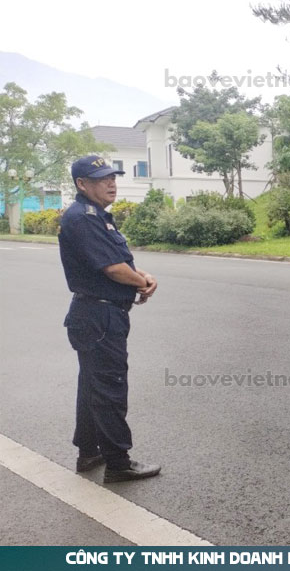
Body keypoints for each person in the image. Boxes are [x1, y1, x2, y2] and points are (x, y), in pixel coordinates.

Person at [58, 155, 160, 483]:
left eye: (112, 177)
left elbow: (119, 261)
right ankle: (119, 462)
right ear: (82, 184)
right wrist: (141, 282)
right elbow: (113, 269)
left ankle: (89, 452)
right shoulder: (83, 218)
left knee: (93, 386)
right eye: (102, 179)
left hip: (96, 314)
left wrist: (142, 274)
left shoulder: (98, 216)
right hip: (99, 316)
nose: (111, 183)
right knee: (111, 387)